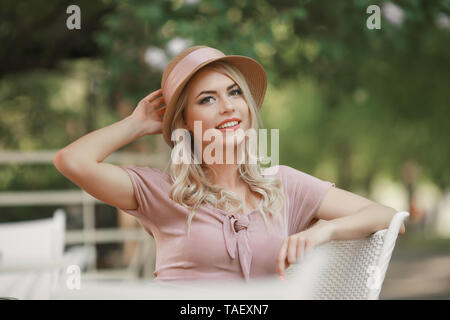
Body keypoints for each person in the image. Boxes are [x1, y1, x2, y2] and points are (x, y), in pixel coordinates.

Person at [53, 45, 405, 284]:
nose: (227, 106)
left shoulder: (283, 186)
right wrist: (136, 123)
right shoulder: (160, 191)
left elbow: (388, 217)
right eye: (207, 99)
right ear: (186, 122)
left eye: (234, 92)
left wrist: (322, 230)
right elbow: (71, 161)